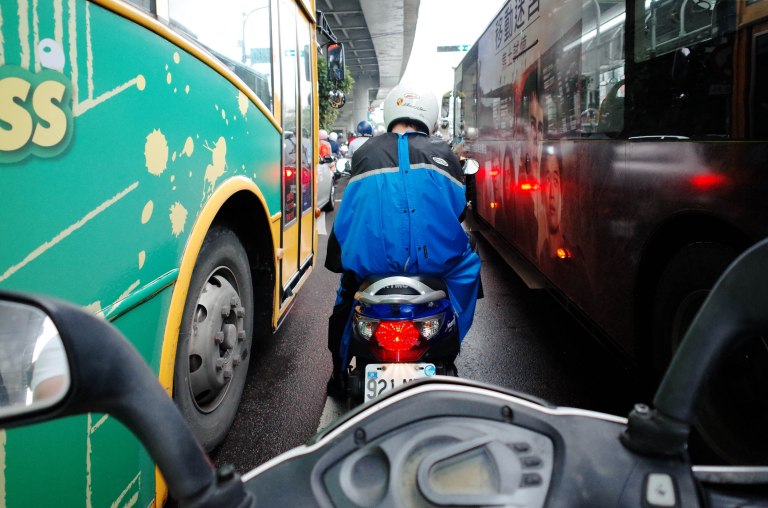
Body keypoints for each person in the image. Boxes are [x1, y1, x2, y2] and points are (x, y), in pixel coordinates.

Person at [325, 83, 482, 394]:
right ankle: (448, 344)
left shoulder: (364, 153)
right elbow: (459, 212)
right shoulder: (444, 154)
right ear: (429, 115)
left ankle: (339, 372)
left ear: (392, 113)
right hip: (436, 267)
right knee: (469, 268)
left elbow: (351, 214)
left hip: (371, 269)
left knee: (346, 297)